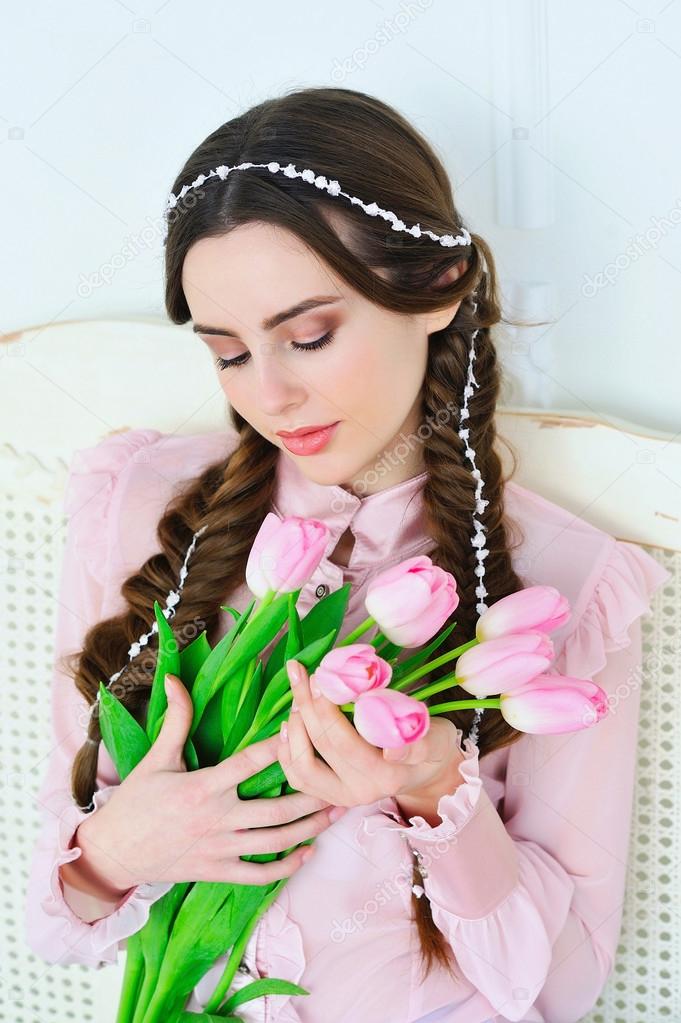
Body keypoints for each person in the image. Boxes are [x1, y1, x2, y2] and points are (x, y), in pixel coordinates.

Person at [24, 87, 670, 1023]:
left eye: (310, 336)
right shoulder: (137, 507)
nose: (272, 395)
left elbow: (564, 984)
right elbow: (58, 921)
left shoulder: (564, 581)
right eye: (228, 353)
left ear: (437, 288)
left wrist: (436, 788)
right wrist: (118, 852)